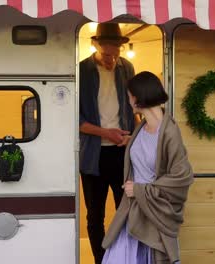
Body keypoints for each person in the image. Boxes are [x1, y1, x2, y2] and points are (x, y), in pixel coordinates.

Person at [101, 71, 194, 264]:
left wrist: (139, 190)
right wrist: (130, 142)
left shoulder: (169, 132)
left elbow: (182, 176)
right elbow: (147, 153)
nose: (128, 101)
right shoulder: (141, 128)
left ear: (138, 97)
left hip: (153, 214)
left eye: (129, 96)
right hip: (132, 211)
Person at [79, 23, 136, 264]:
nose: (112, 58)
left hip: (123, 153)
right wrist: (106, 133)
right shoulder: (82, 71)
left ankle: (123, 257)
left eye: (116, 52)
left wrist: (133, 136)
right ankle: (100, 260)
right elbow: (75, 118)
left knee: (127, 212)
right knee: (95, 216)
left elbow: (134, 107)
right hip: (92, 155)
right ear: (95, 45)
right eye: (107, 53)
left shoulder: (127, 68)